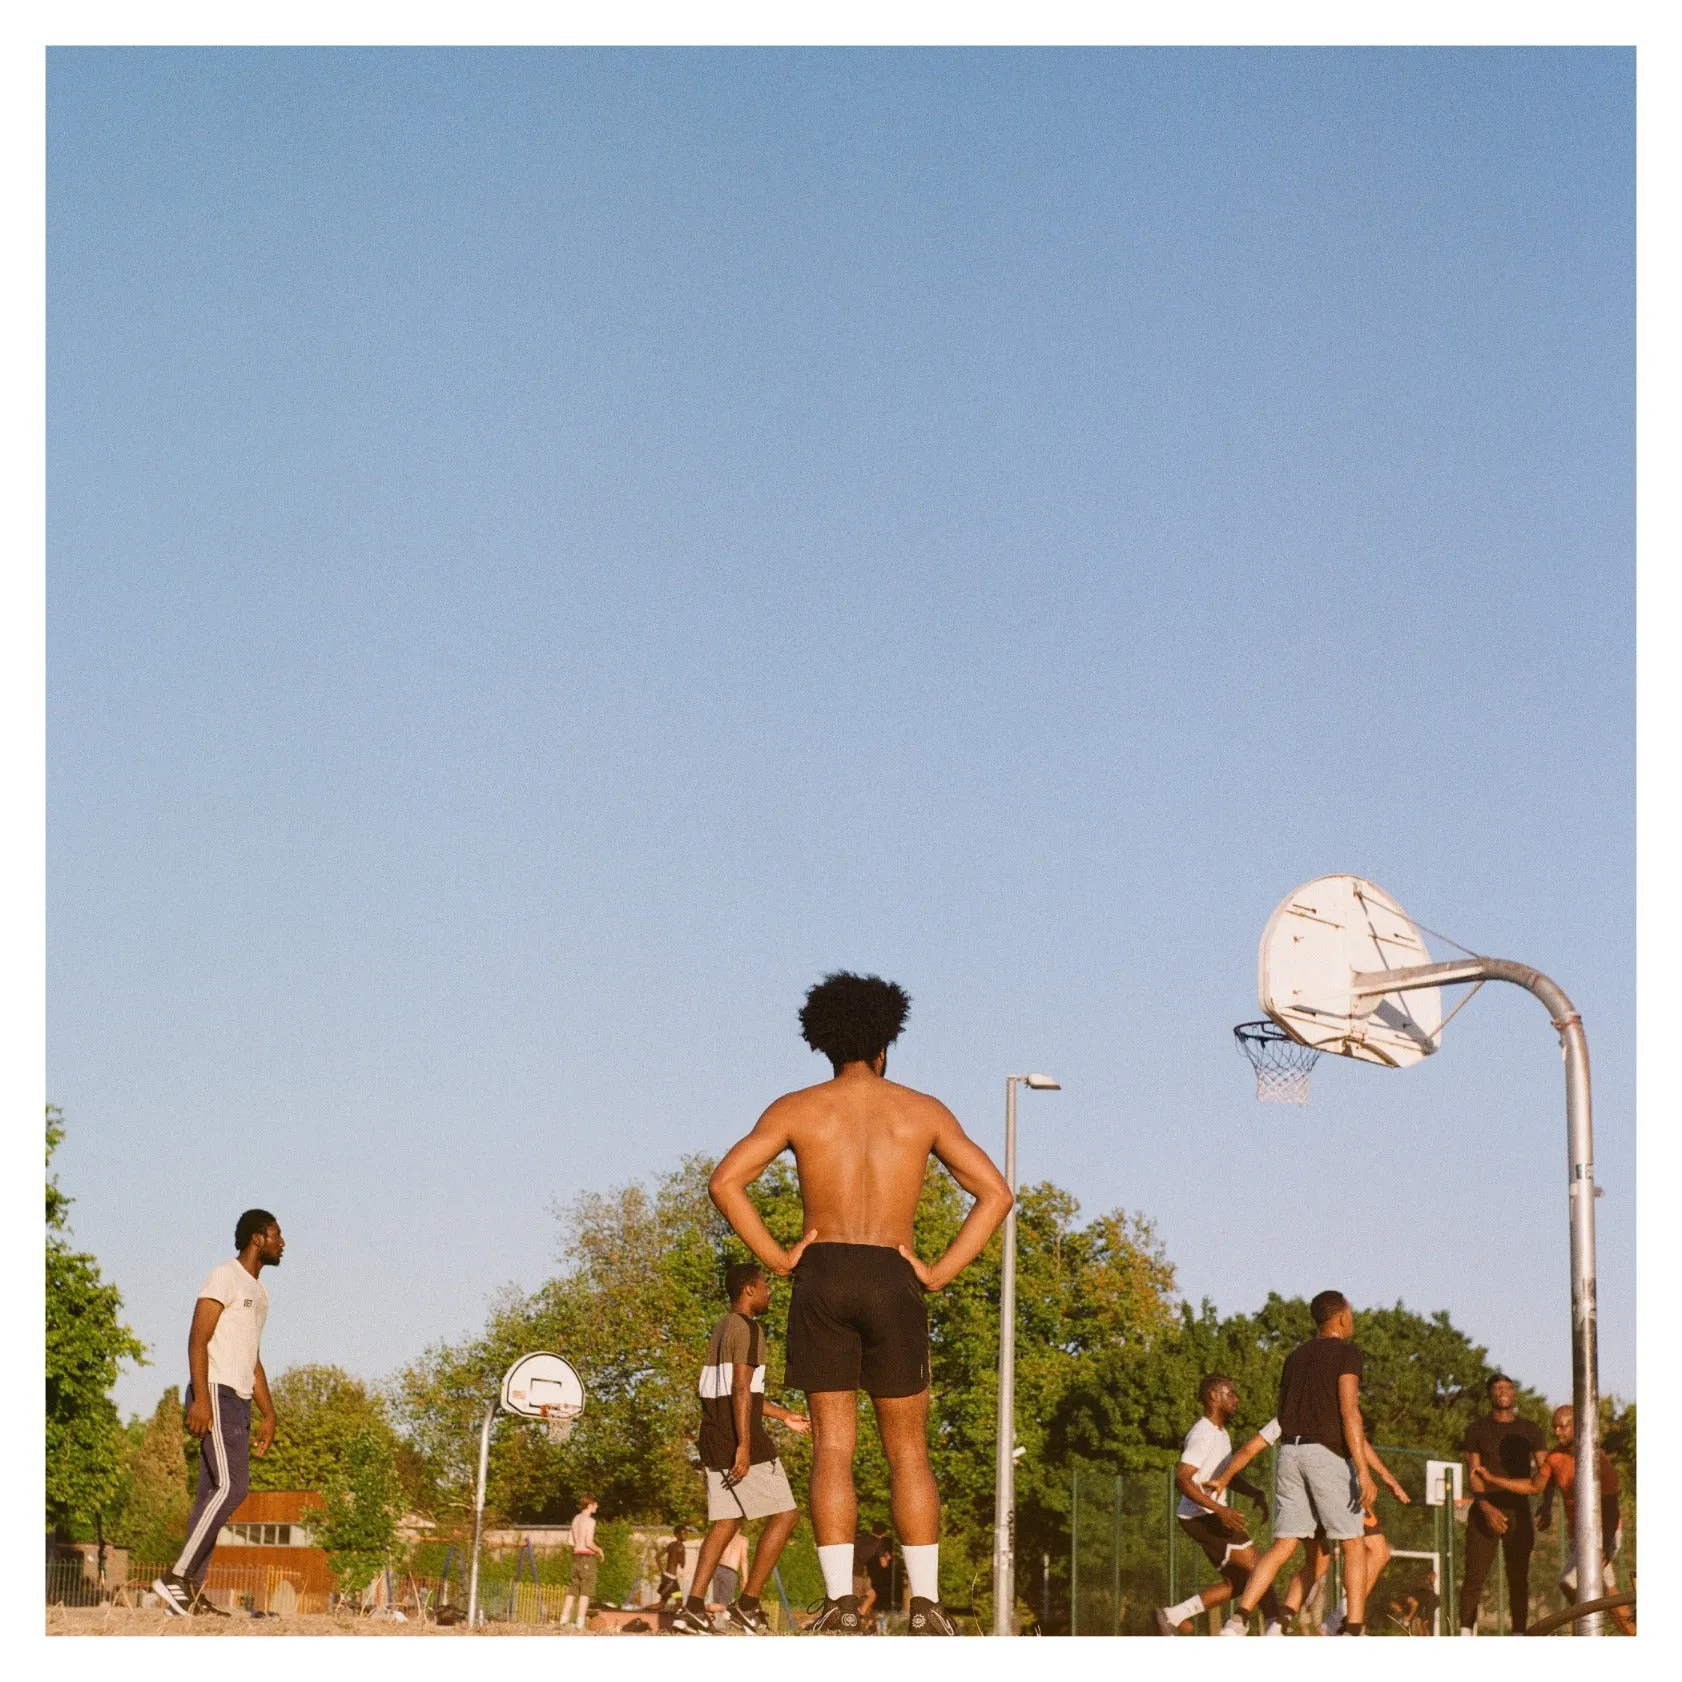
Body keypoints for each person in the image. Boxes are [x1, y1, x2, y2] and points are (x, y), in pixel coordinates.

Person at [709, 973, 1014, 1636]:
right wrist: (936, 1273)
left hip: (824, 1274)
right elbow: (995, 1194)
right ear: (885, 1045)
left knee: (833, 1451)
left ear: (824, 1044)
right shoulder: (922, 1110)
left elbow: (726, 1181)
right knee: (909, 1450)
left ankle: (842, 1606)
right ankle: (928, 1608)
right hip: (893, 1273)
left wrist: (781, 1257)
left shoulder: (797, 1108)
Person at [1219, 1291, 1376, 1636]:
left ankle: (1238, 1620)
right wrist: (1363, 1471)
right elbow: (1349, 1411)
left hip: (1289, 1453)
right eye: (1351, 1313)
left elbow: (1286, 1412)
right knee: (1352, 1543)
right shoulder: (1347, 1353)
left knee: (1283, 1545)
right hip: (1325, 1454)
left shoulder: (1295, 1357)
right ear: (1341, 1317)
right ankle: (1353, 1629)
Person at [152, 1210, 284, 1618]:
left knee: (211, 1493)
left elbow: (253, 1358)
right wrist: (201, 1400)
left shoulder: (260, 1294)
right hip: (215, 1391)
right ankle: (176, 1578)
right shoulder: (223, 1275)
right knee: (234, 1487)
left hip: (239, 1398)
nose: (284, 1243)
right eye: (278, 1235)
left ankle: (188, 1590)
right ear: (257, 1238)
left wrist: (269, 1413)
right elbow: (198, 1336)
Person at [670, 1263, 811, 1635]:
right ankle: (747, 1605)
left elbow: (738, 1391)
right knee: (786, 1516)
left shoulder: (721, 1327)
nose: (769, 1292)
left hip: (713, 1433)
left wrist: (782, 1416)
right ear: (749, 1289)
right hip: (737, 1436)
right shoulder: (749, 1329)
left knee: (727, 1522)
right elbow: (740, 1390)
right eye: (765, 1286)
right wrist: (745, 1446)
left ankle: (693, 1608)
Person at [1476, 1404, 1634, 1636]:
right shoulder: (1555, 1457)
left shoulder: (1598, 1462)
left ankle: (1590, 1628)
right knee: (1608, 1591)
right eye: (1554, 1427)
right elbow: (1536, 1485)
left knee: (1569, 1581)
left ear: (1577, 1426)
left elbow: (1611, 1508)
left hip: (1603, 1532)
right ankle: (1625, 1632)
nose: (1557, 1432)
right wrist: (1493, 1480)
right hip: (1580, 1534)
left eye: (1563, 1426)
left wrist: (1607, 1545)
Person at [1153, 1375, 1282, 1635]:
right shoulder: (1202, 1434)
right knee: (1261, 1567)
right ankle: (1274, 1627)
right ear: (1214, 1396)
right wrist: (1220, 1510)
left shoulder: (1220, 1433)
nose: (1237, 1399)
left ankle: (1173, 1615)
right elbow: (1183, 1479)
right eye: (1230, 1394)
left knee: (1241, 1582)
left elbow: (1222, 1476)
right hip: (1203, 1516)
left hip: (1204, 1515)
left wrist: (1253, 1492)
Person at [1457, 1374, 1545, 1635]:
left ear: (1514, 1394)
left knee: (1518, 1577)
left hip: (1518, 1509)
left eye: (1507, 1387)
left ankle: (1518, 1634)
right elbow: (1474, 1473)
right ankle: (1464, 1633)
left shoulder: (1531, 1430)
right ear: (1490, 1395)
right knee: (1474, 1577)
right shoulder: (1476, 1429)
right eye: (1497, 1388)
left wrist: (1548, 1503)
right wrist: (1484, 1506)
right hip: (1486, 1508)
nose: (1503, 1392)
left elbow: (1546, 1470)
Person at [562, 1497, 605, 1628]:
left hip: (576, 1557)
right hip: (587, 1557)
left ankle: (563, 1620)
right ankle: (580, 1624)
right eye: (596, 1504)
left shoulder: (575, 1519)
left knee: (572, 1590)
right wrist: (600, 1551)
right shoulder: (590, 1521)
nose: (597, 1506)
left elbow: (570, 1541)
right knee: (585, 1592)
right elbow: (588, 1542)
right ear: (590, 1505)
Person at [654, 1525, 689, 1607]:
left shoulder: (671, 1545)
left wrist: (662, 1572)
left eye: (686, 1533)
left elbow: (657, 1557)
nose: (685, 1535)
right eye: (683, 1533)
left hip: (668, 1577)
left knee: (666, 1602)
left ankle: (668, 1617)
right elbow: (682, 1564)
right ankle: (646, 1612)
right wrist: (682, 1556)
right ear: (676, 1535)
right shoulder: (681, 1547)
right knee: (676, 1602)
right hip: (670, 1579)